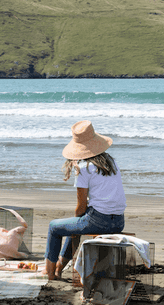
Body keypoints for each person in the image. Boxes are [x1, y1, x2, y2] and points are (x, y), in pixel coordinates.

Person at [45, 120, 126, 280]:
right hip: (118, 221)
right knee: (74, 226)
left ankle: (50, 274)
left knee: (54, 227)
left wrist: (78, 220)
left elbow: (81, 207)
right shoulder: (111, 162)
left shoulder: (83, 168)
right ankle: (59, 269)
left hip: (99, 220)